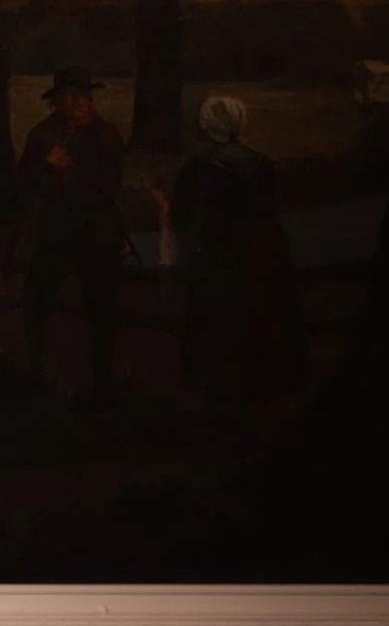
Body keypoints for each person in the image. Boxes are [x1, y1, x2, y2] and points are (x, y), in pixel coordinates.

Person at [155, 95, 307, 402]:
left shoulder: (196, 169)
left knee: (216, 329)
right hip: (263, 254)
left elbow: (184, 221)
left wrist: (164, 210)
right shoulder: (263, 165)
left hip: (216, 262)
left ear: (206, 126)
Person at [17, 66, 126, 397]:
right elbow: (25, 181)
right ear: (56, 100)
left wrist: (69, 169)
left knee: (101, 310)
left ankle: (103, 384)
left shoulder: (107, 136)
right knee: (36, 299)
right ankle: (38, 375)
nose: (77, 102)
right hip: (56, 235)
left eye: (83, 96)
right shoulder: (41, 135)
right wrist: (33, 200)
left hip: (97, 235)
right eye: (69, 96)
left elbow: (107, 188)